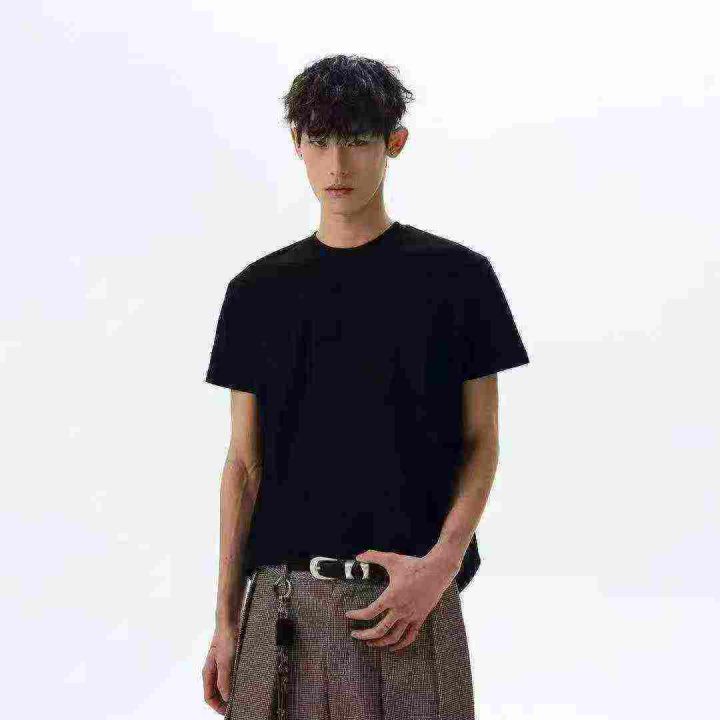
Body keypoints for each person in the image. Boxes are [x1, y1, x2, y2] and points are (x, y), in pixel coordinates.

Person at [202, 54, 530, 720]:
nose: (337, 165)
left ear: (394, 143)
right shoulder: (257, 292)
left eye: (356, 140)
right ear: (297, 144)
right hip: (281, 604)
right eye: (320, 141)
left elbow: (483, 440)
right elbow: (243, 465)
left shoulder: (458, 280)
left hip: (408, 602)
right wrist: (226, 619)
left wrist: (439, 567)